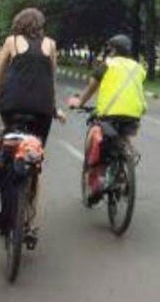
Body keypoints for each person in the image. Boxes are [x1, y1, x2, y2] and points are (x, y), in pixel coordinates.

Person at [67, 34, 146, 203]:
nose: (108, 52)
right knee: (124, 138)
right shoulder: (138, 68)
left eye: (109, 49)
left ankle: (97, 179)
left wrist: (79, 102)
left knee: (95, 139)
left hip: (109, 115)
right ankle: (126, 166)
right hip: (134, 115)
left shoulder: (107, 65)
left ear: (114, 50)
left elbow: (90, 89)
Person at [0, 7, 64, 143]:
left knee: (9, 139)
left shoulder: (11, 41)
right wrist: (54, 108)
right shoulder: (51, 44)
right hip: (42, 106)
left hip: (12, 104)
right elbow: (51, 80)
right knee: (37, 149)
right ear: (41, 25)